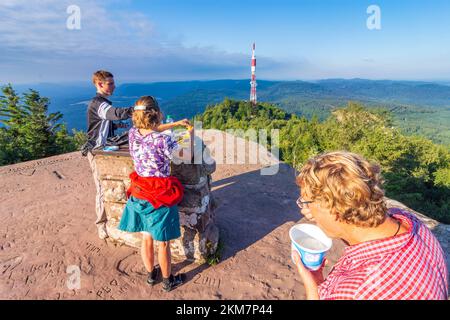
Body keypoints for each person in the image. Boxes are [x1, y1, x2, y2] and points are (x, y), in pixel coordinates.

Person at [293, 151, 448, 300]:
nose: (305, 209)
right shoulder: (411, 223)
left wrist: (313, 288)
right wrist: (321, 216)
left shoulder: (354, 291)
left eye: (307, 203)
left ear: (333, 211)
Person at [118, 96, 193, 292]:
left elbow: (151, 130)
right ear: (157, 114)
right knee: (163, 243)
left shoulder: (133, 133)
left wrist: (175, 123)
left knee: (146, 237)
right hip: (160, 194)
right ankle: (169, 281)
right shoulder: (164, 140)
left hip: (140, 190)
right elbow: (186, 156)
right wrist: (190, 136)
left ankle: (151, 275)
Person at [86, 70, 134, 239]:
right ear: (100, 84)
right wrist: (137, 109)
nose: (114, 86)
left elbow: (107, 123)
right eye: (110, 83)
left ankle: (115, 218)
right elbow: (114, 113)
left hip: (106, 148)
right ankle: (101, 225)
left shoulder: (101, 103)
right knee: (100, 187)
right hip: (97, 150)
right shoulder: (98, 103)